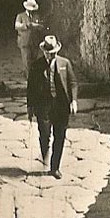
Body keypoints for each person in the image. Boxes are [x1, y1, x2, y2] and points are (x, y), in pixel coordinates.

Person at [27, 35, 79, 179]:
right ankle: (45, 153)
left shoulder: (65, 63)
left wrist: (73, 100)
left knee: (60, 136)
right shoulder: (36, 66)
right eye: (48, 53)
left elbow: (73, 83)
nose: (51, 56)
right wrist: (30, 108)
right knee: (44, 135)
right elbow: (30, 88)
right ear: (44, 51)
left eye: (54, 53)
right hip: (43, 107)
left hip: (61, 106)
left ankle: (55, 167)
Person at [15, 0, 45, 75]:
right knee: (26, 60)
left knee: (34, 59)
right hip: (24, 41)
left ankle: (32, 75)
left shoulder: (36, 16)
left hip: (34, 41)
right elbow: (17, 26)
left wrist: (38, 26)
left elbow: (41, 27)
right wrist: (27, 26)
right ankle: (28, 77)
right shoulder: (20, 16)